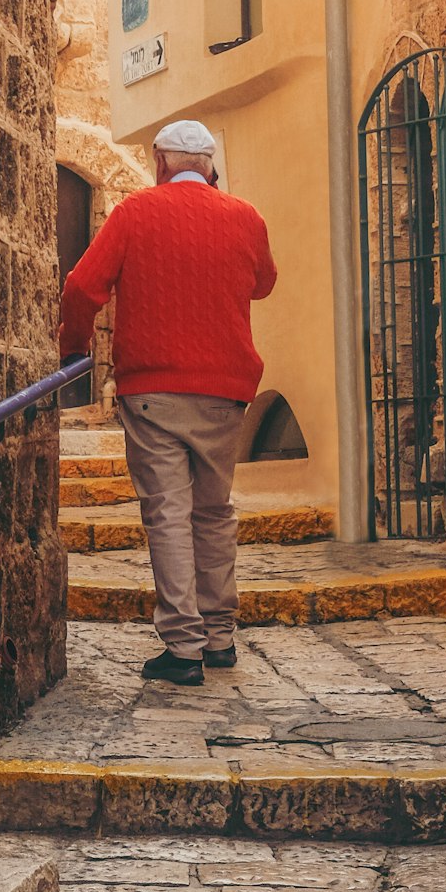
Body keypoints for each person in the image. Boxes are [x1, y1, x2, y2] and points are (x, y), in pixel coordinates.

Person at [58, 120, 277, 685]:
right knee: (214, 510)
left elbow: (83, 286)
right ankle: (220, 634)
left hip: (154, 389)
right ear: (210, 165)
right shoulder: (245, 216)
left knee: (168, 514)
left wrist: (72, 346)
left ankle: (183, 647)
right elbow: (263, 283)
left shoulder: (135, 212)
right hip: (226, 391)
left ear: (158, 162)